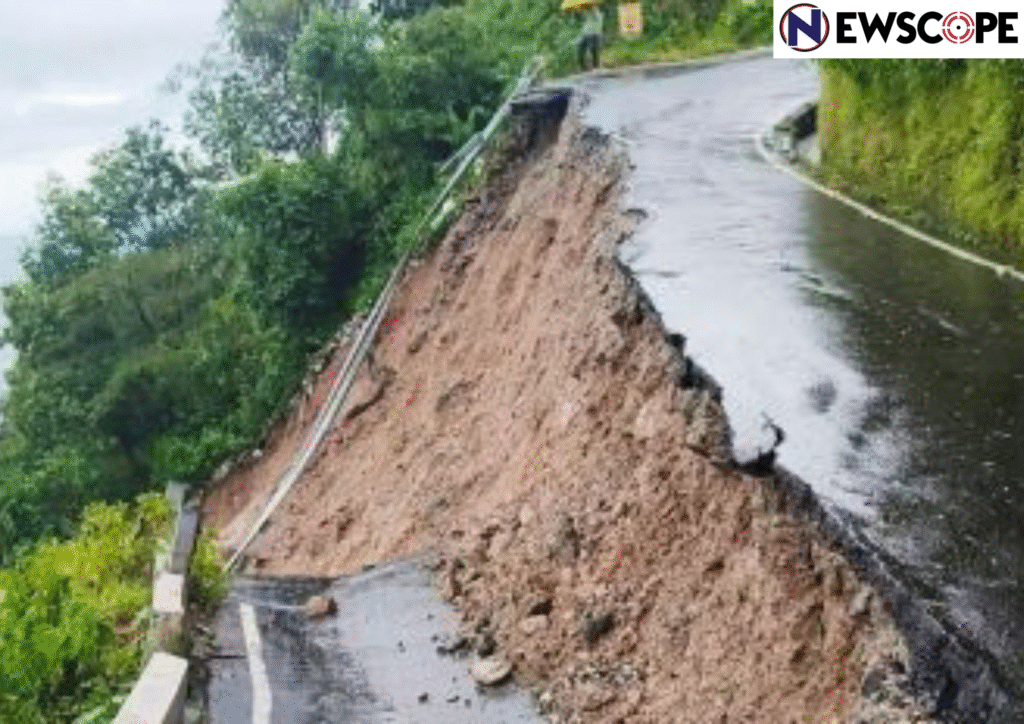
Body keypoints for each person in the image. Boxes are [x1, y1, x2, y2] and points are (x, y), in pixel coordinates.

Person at [577, 3, 603, 71]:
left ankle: (595, 66)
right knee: (581, 49)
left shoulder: (595, 10)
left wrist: (590, 10)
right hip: (586, 33)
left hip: (593, 33)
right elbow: (582, 19)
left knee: (593, 50)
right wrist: (580, 12)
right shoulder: (585, 11)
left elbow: (597, 19)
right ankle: (583, 66)